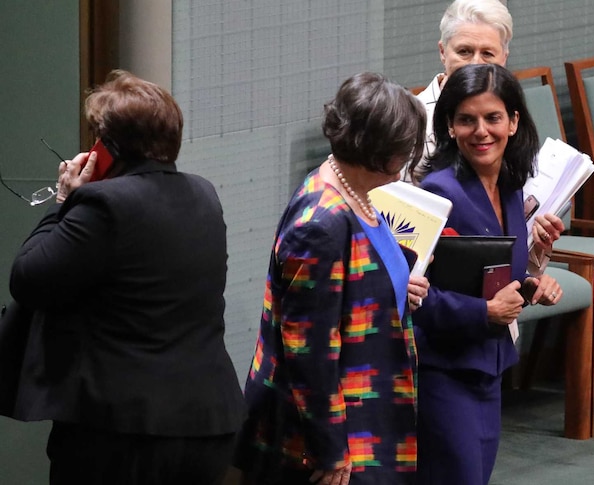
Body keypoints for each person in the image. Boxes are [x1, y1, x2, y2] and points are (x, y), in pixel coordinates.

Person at [9, 70, 246, 485]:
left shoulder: (102, 204)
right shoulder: (204, 195)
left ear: (105, 148)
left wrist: (65, 199)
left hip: (124, 434)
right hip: (207, 423)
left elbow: (28, 278)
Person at [233, 72, 429, 485]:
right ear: (381, 150)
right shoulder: (323, 223)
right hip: (330, 439)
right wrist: (331, 451)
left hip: (367, 412)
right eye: (405, 146)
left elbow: (354, 288)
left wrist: (395, 290)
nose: (410, 155)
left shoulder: (350, 192)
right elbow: (310, 350)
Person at [410, 63, 563, 485]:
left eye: (493, 117)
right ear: (450, 127)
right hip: (445, 373)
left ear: (514, 122)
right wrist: (485, 313)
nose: (481, 131)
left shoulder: (512, 188)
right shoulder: (438, 192)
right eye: (466, 120)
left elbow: (497, 279)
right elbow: (415, 298)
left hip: (490, 373)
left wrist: (532, 287)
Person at [406, 0, 513, 183]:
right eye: (464, 51)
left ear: (504, 58)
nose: (475, 64)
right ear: (442, 52)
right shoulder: (409, 124)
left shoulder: (509, 112)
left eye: (487, 54)